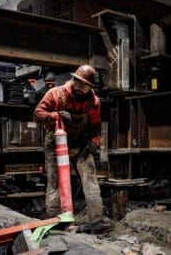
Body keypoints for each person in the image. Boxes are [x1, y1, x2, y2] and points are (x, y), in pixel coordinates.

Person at [33, 64, 113, 233]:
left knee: (90, 180)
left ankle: (97, 221)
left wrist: (95, 142)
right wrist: (55, 115)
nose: (80, 87)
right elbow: (37, 114)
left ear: (90, 86)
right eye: (78, 82)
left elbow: (96, 127)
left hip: (80, 144)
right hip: (55, 142)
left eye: (84, 85)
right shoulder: (56, 93)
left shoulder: (94, 102)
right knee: (54, 181)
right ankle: (54, 219)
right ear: (74, 80)